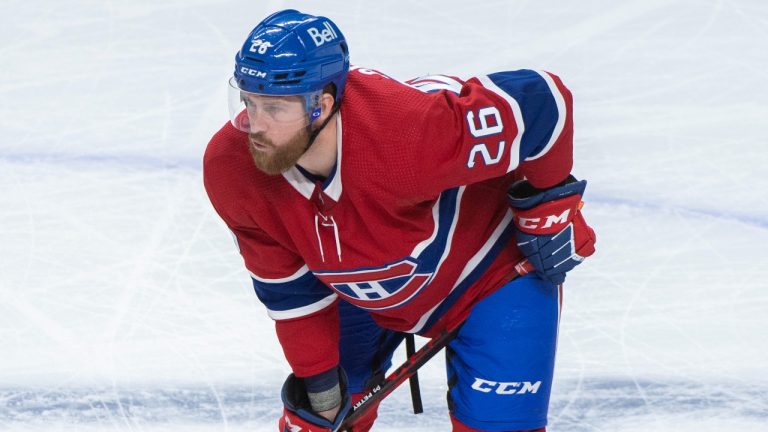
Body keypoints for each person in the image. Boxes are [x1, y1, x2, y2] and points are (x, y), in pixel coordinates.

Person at [203, 9, 596, 432]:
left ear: (323, 105)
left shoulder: (410, 133)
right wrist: (322, 394)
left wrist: (548, 210)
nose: (255, 127)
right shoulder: (231, 167)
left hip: (490, 276)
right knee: (317, 421)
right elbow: (291, 291)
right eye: (248, 102)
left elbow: (544, 102)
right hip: (361, 291)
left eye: (275, 108)